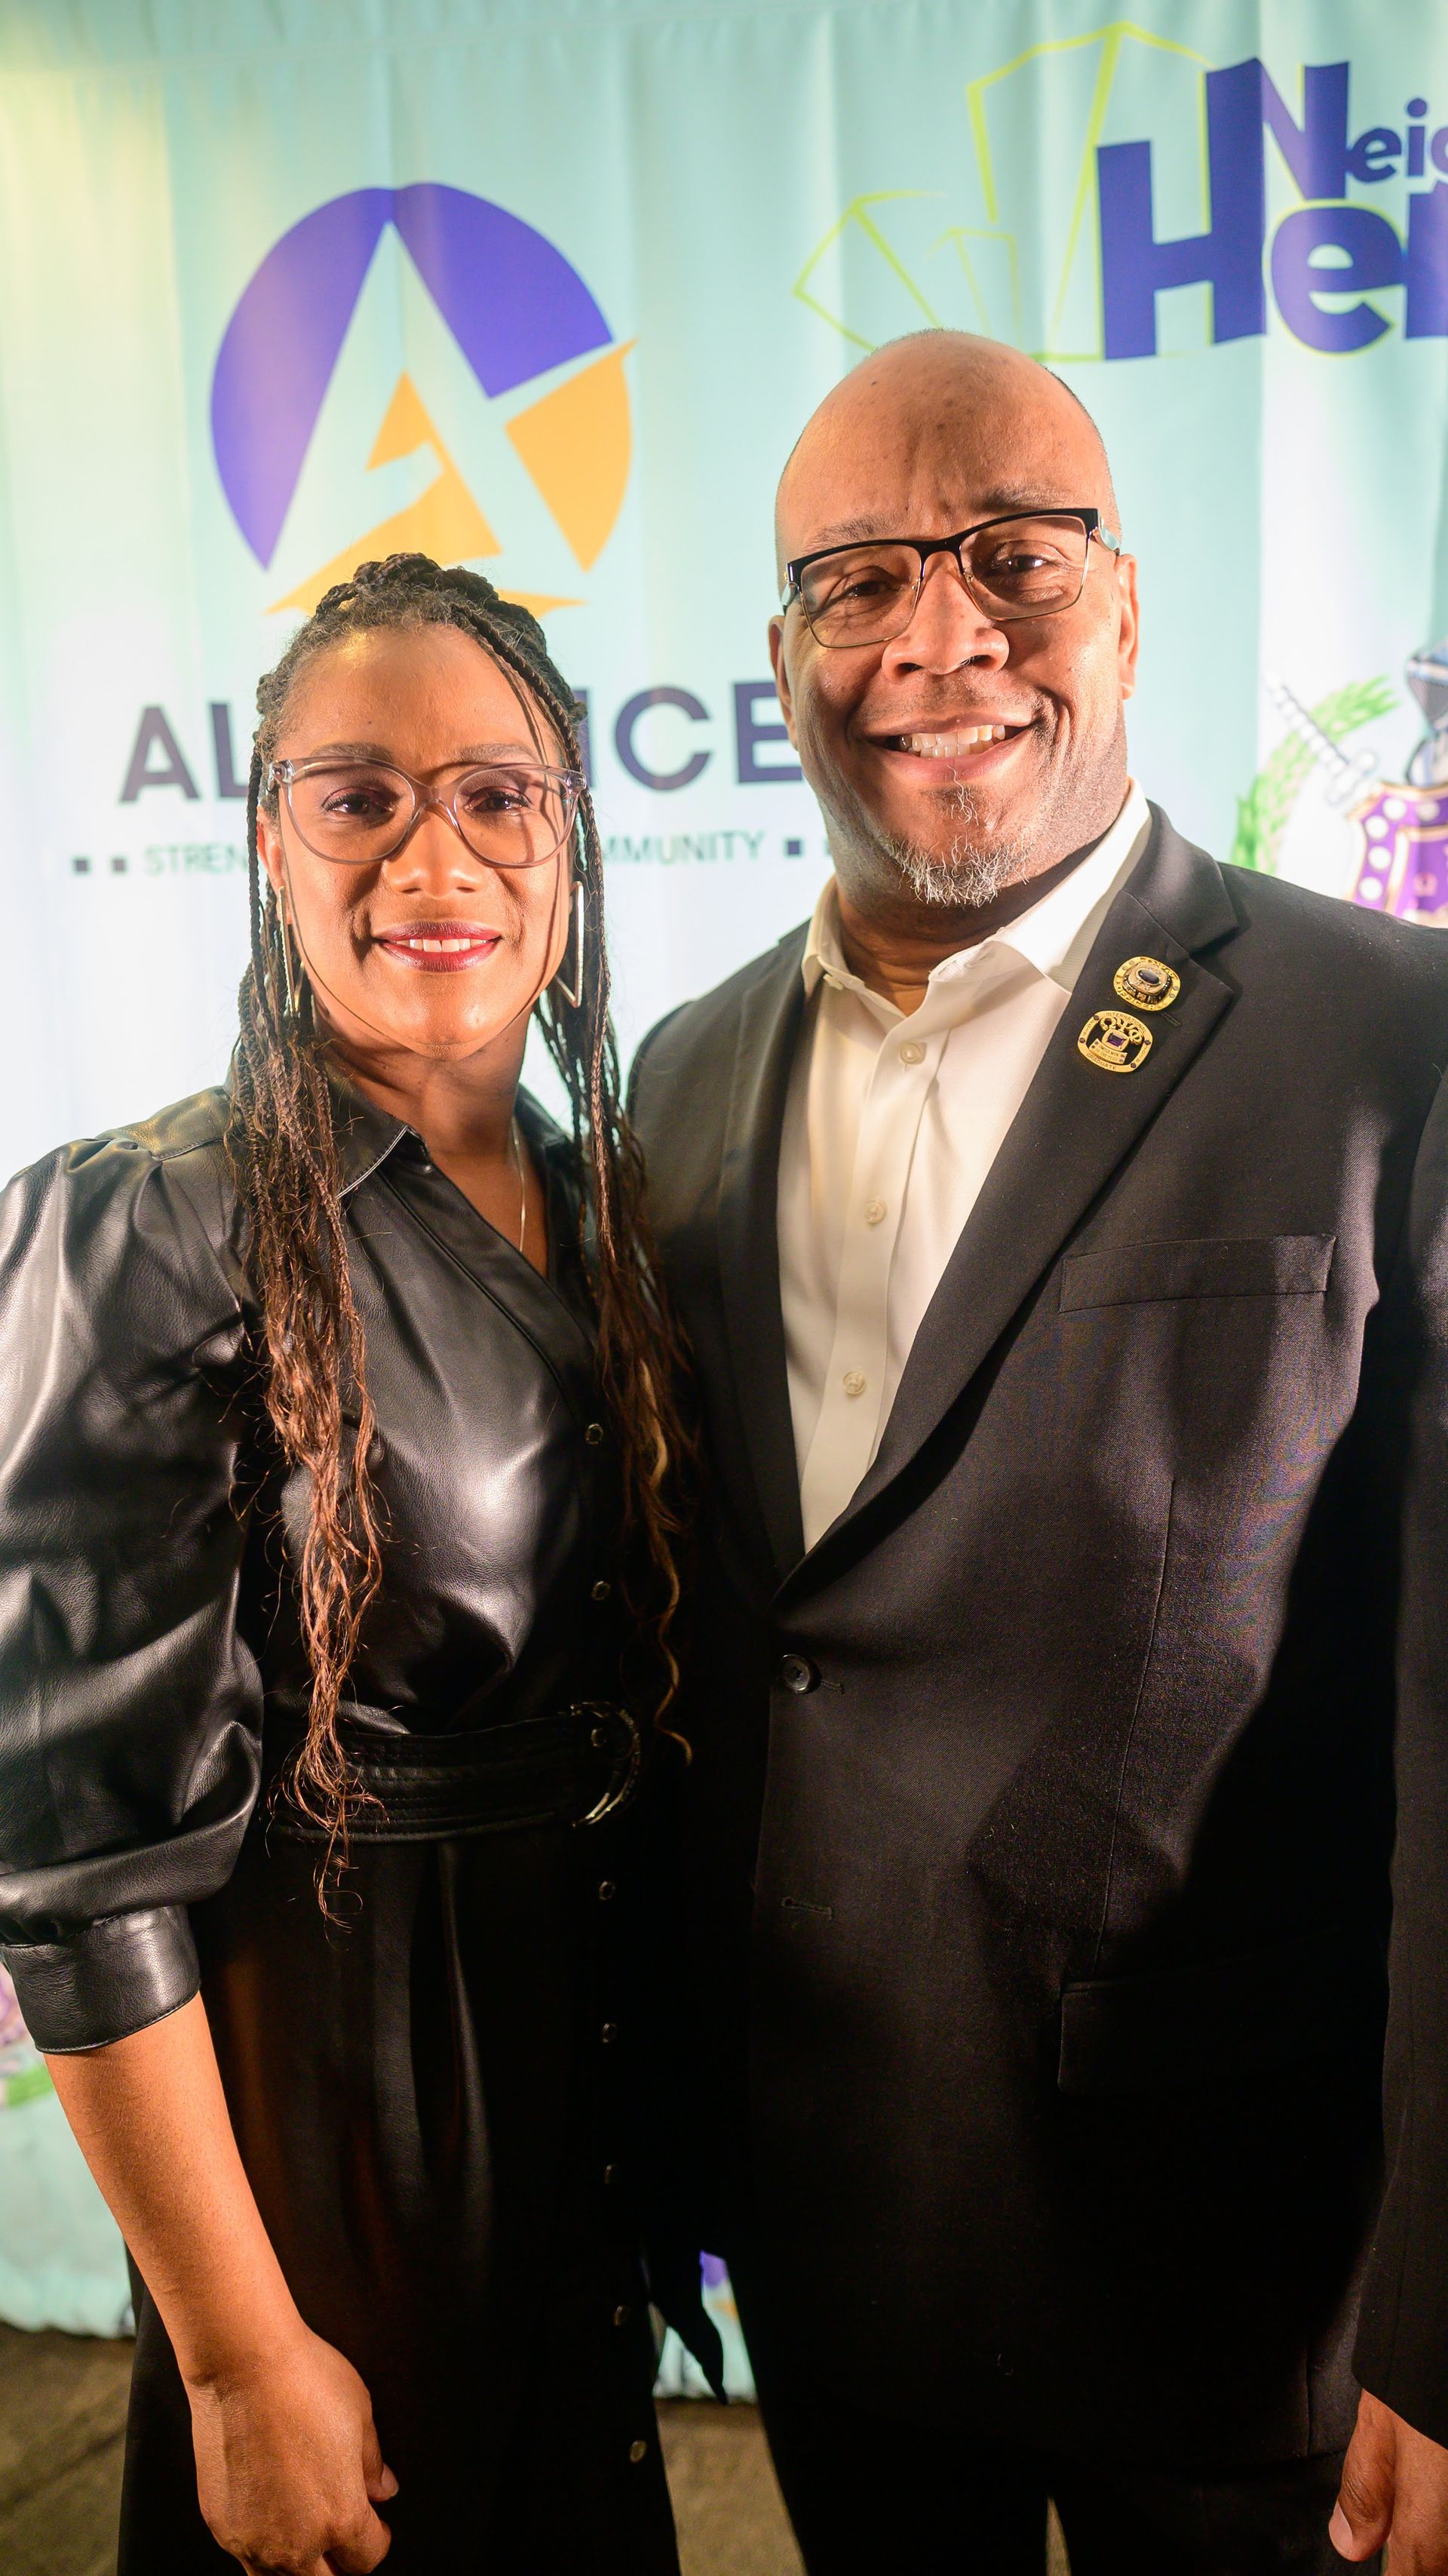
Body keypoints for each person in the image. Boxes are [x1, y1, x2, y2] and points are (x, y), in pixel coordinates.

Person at [629, 333, 1448, 2574]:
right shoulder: (681, 1083)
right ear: (786, 647)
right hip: (826, 2228)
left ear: (1131, 602)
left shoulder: (1395, 1042)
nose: (940, 636)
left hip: (1246, 2266)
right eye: (861, 576)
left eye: (1016, 558)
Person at [0, 554, 693, 2575]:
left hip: (578, 2114)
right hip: (324, 2144)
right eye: (358, 793)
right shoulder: (154, 1224)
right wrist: (233, 2354)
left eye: (497, 793)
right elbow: (75, 1865)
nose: (434, 854)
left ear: (565, 840)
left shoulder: (603, 1200)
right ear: (265, 841)